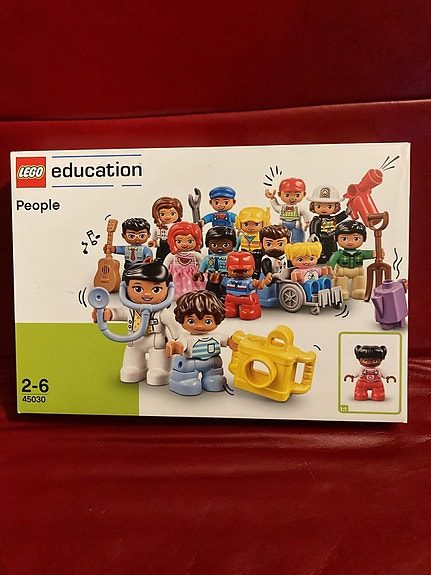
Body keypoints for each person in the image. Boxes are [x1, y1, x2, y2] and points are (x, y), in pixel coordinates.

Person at [92, 261, 181, 385]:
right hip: (134, 342)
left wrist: (178, 340)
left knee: (158, 372)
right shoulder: (129, 309)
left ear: (169, 288)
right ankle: (135, 367)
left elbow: (175, 327)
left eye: (156, 289)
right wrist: (105, 314)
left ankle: (160, 369)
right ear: (125, 288)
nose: (147, 294)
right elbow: (116, 313)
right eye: (138, 289)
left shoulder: (162, 313)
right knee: (130, 371)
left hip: (156, 343)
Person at [166, 290, 236, 396]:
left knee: (215, 378)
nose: (199, 326)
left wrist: (232, 342)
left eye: (207, 321)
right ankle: (183, 382)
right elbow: (181, 344)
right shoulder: (186, 337)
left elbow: (226, 341)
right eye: (191, 321)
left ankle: (213, 378)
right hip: (190, 363)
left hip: (212, 362)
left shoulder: (216, 336)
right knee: (188, 379)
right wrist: (176, 346)